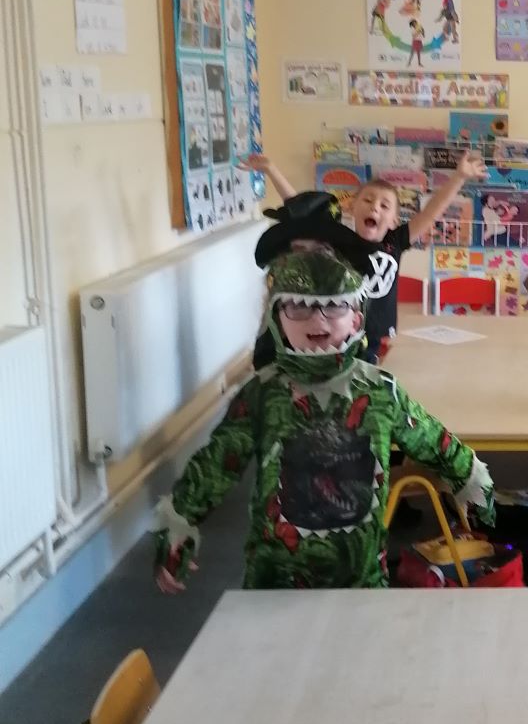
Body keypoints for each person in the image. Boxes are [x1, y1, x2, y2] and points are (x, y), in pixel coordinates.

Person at [153, 195, 493, 594]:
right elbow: (217, 462)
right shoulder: (263, 394)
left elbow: (431, 438)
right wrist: (179, 521)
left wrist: (468, 475)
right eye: (298, 308)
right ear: (277, 317)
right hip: (274, 579)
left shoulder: (379, 391)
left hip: (360, 576)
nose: (317, 320)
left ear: (357, 318)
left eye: (333, 307)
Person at [241, 151, 486, 360]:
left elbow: (431, 213)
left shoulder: (395, 242)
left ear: (393, 220)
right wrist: (271, 170)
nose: (374, 207)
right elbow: (303, 213)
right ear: (352, 207)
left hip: (381, 338)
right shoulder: (340, 242)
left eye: (384, 206)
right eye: (368, 200)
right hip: (346, 336)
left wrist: (459, 177)